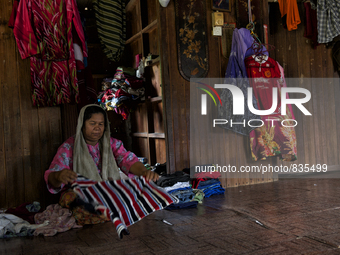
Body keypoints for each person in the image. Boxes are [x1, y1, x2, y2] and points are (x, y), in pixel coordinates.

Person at [45, 104, 159, 194]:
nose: (97, 128)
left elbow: (127, 160)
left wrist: (144, 172)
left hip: (108, 191)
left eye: (101, 124)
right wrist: (59, 176)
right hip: (81, 194)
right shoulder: (69, 147)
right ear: (82, 125)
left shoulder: (112, 143)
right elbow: (52, 178)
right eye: (92, 123)